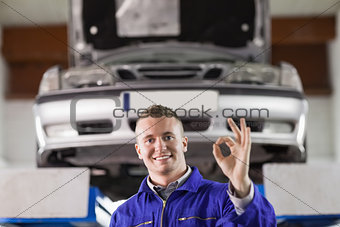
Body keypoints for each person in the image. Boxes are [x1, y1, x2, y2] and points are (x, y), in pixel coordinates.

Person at [110, 105, 276, 226]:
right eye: (150, 140)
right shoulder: (123, 216)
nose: (160, 147)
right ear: (139, 150)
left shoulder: (223, 199)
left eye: (168, 137)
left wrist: (241, 184)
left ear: (184, 143)